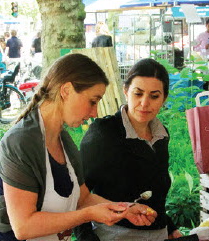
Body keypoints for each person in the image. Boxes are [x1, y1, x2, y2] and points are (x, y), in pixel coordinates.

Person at [0, 54, 157, 241]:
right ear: (66, 90)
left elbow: (84, 198)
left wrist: (125, 209)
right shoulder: (20, 142)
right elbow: (24, 226)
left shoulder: (63, 140)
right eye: (92, 101)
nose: (95, 112)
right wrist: (88, 215)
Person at [74, 58, 182, 241]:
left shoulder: (161, 136)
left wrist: (170, 228)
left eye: (154, 96)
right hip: (115, 235)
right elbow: (77, 196)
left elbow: (155, 193)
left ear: (164, 98)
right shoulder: (103, 134)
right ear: (125, 91)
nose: (144, 103)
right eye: (138, 94)